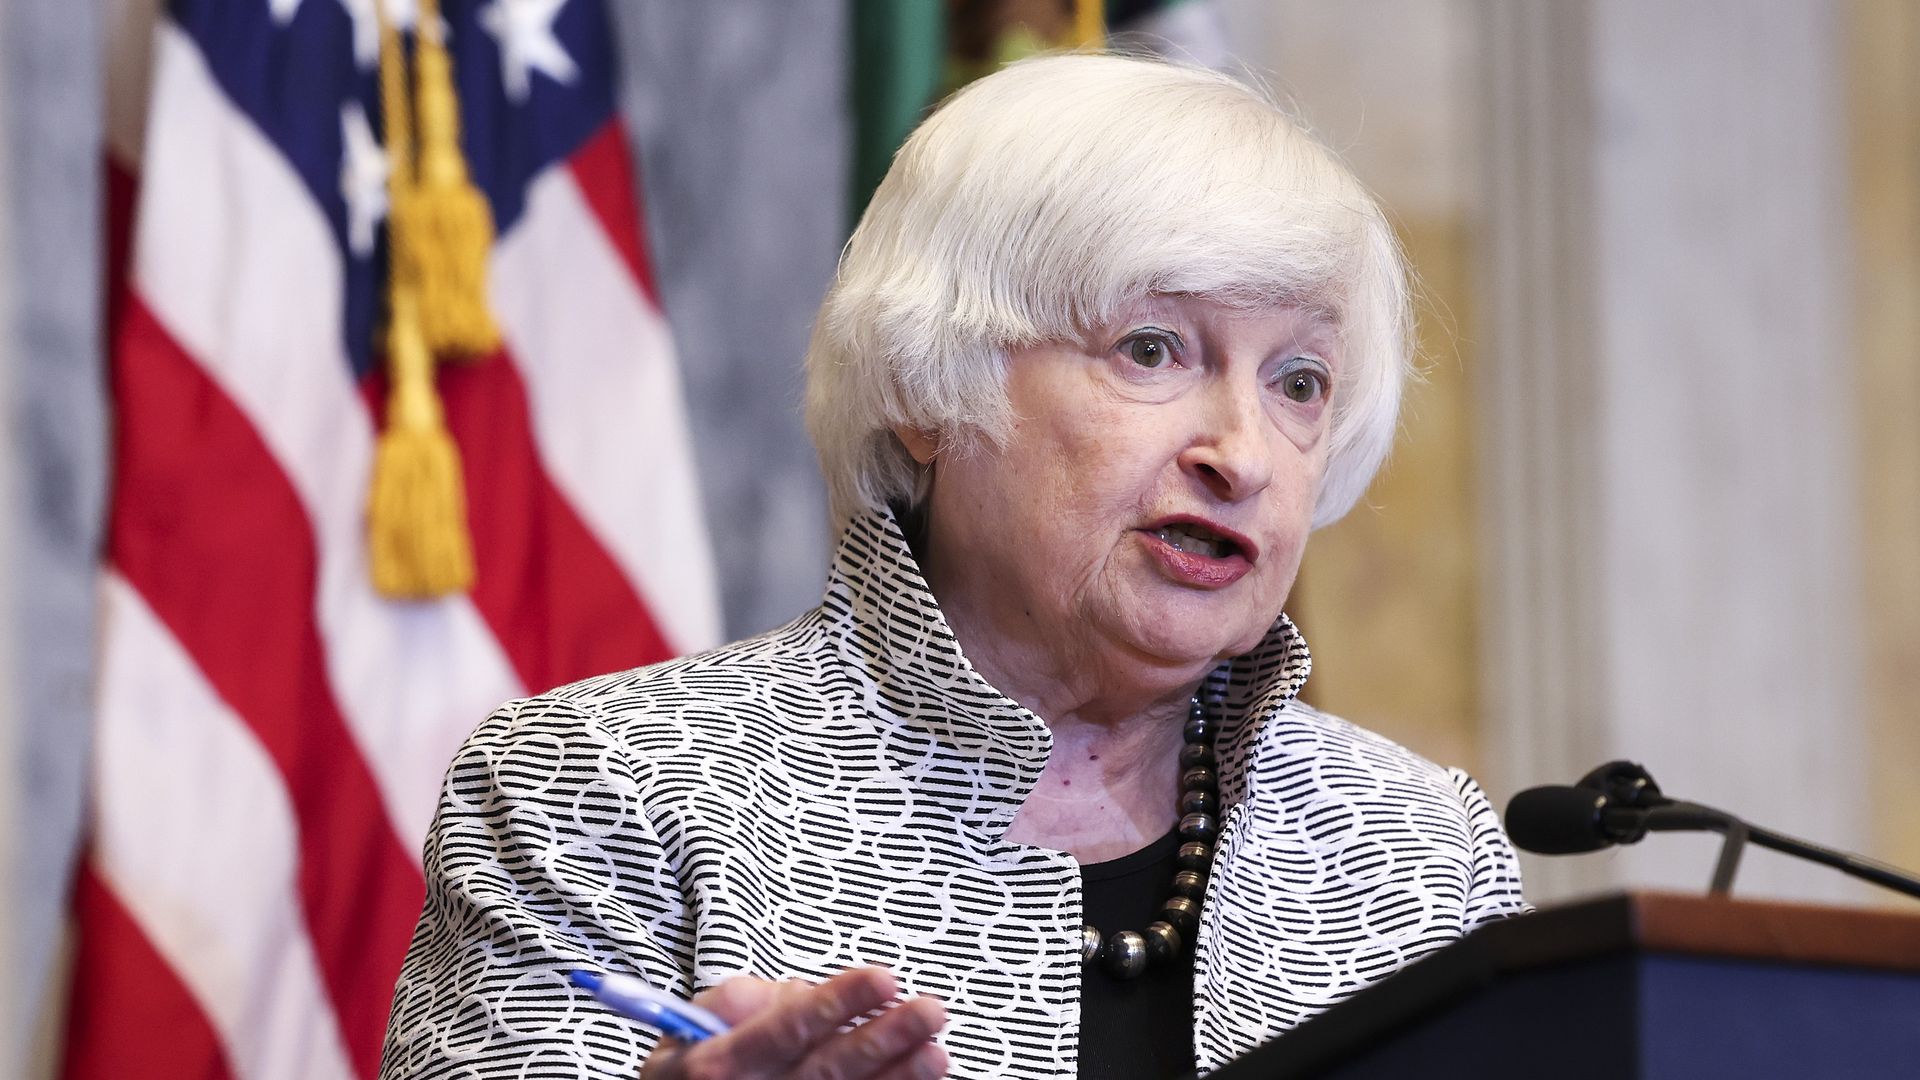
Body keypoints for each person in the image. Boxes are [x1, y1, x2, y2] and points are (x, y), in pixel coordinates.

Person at [378, 52, 1527, 1080]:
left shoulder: (1421, 848)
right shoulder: (607, 790)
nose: (1243, 454)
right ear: (930, 388)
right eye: (1152, 350)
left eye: (1300, 383)